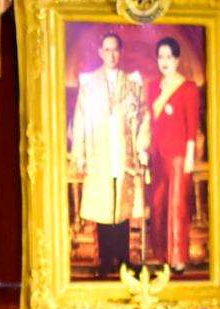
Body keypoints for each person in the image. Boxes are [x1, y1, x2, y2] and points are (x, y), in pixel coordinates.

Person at [69, 32, 147, 276]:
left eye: (115, 50)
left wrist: (141, 148)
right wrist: (79, 153)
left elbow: (142, 117)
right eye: (107, 50)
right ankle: (104, 259)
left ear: (120, 53)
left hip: (123, 152)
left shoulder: (132, 83)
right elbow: (80, 120)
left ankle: (123, 259)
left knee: (122, 206)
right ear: (100, 52)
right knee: (103, 207)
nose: (111, 54)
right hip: (99, 151)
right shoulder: (89, 84)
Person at [145, 36, 202, 270]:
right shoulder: (152, 87)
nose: (164, 61)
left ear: (177, 60)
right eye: (161, 57)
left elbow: (192, 125)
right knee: (158, 205)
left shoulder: (188, 88)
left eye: (169, 56)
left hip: (179, 157)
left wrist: (190, 157)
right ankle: (161, 256)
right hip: (158, 155)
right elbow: (149, 121)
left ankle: (178, 259)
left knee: (177, 207)